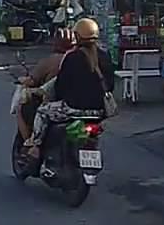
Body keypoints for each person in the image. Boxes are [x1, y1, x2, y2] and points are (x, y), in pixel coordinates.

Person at [26, 18, 115, 160]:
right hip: (99, 112)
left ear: (77, 36)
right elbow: (111, 85)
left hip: (73, 109)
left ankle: (35, 146)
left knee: (42, 111)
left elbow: (60, 86)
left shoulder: (72, 57)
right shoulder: (104, 57)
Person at [15, 30, 74, 144]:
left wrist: (24, 81)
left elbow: (32, 81)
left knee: (22, 107)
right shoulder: (85, 58)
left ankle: (31, 143)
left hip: (62, 105)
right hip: (85, 108)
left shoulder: (52, 60)